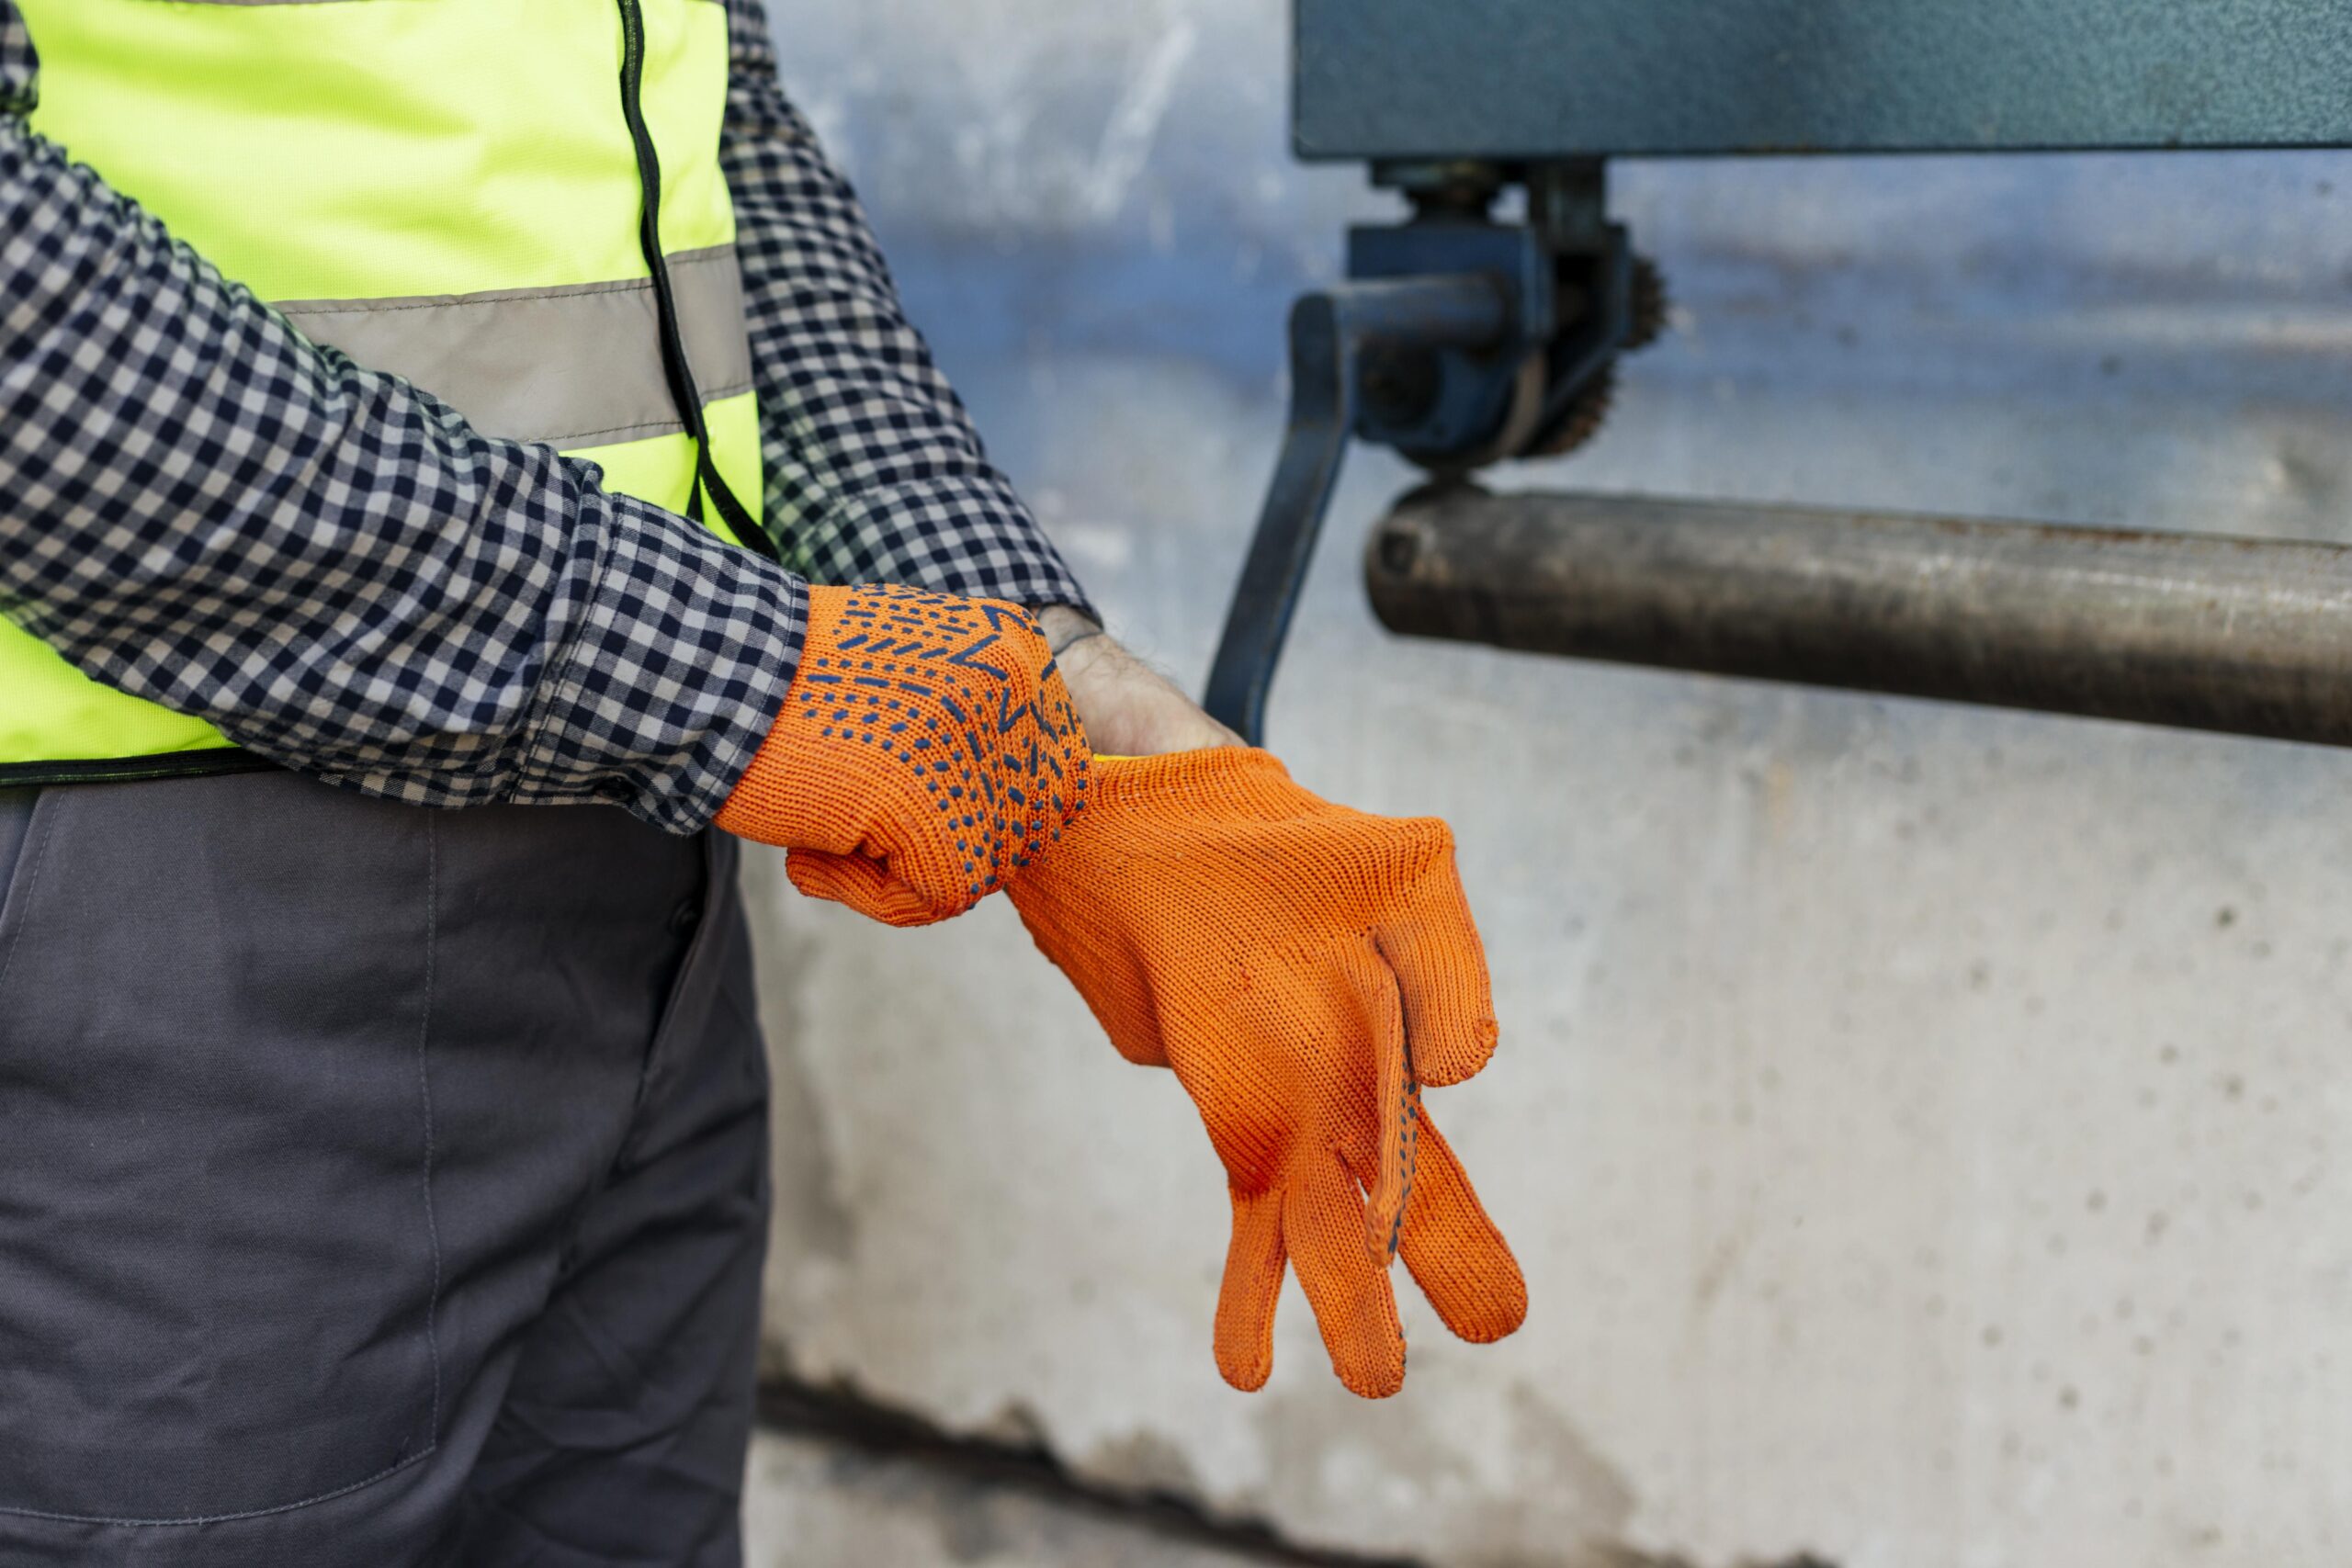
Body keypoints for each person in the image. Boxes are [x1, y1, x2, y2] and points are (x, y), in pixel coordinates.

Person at [0, 1, 1524, 1562]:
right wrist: (741, 677)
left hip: (639, 898)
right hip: (177, 922)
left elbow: (716, 171)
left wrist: (1046, 685)